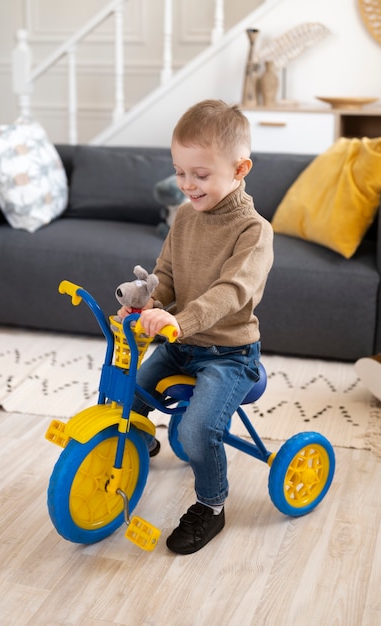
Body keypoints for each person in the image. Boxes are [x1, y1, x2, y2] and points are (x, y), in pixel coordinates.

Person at [118, 99, 274, 555]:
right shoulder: (185, 215)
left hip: (229, 352)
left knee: (197, 429)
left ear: (240, 168)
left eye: (200, 175)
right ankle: (139, 443)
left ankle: (211, 504)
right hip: (181, 342)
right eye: (179, 171)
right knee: (129, 391)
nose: (186, 185)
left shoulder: (254, 231)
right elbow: (165, 275)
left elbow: (231, 293)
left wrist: (178, 321)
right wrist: (148, 304)